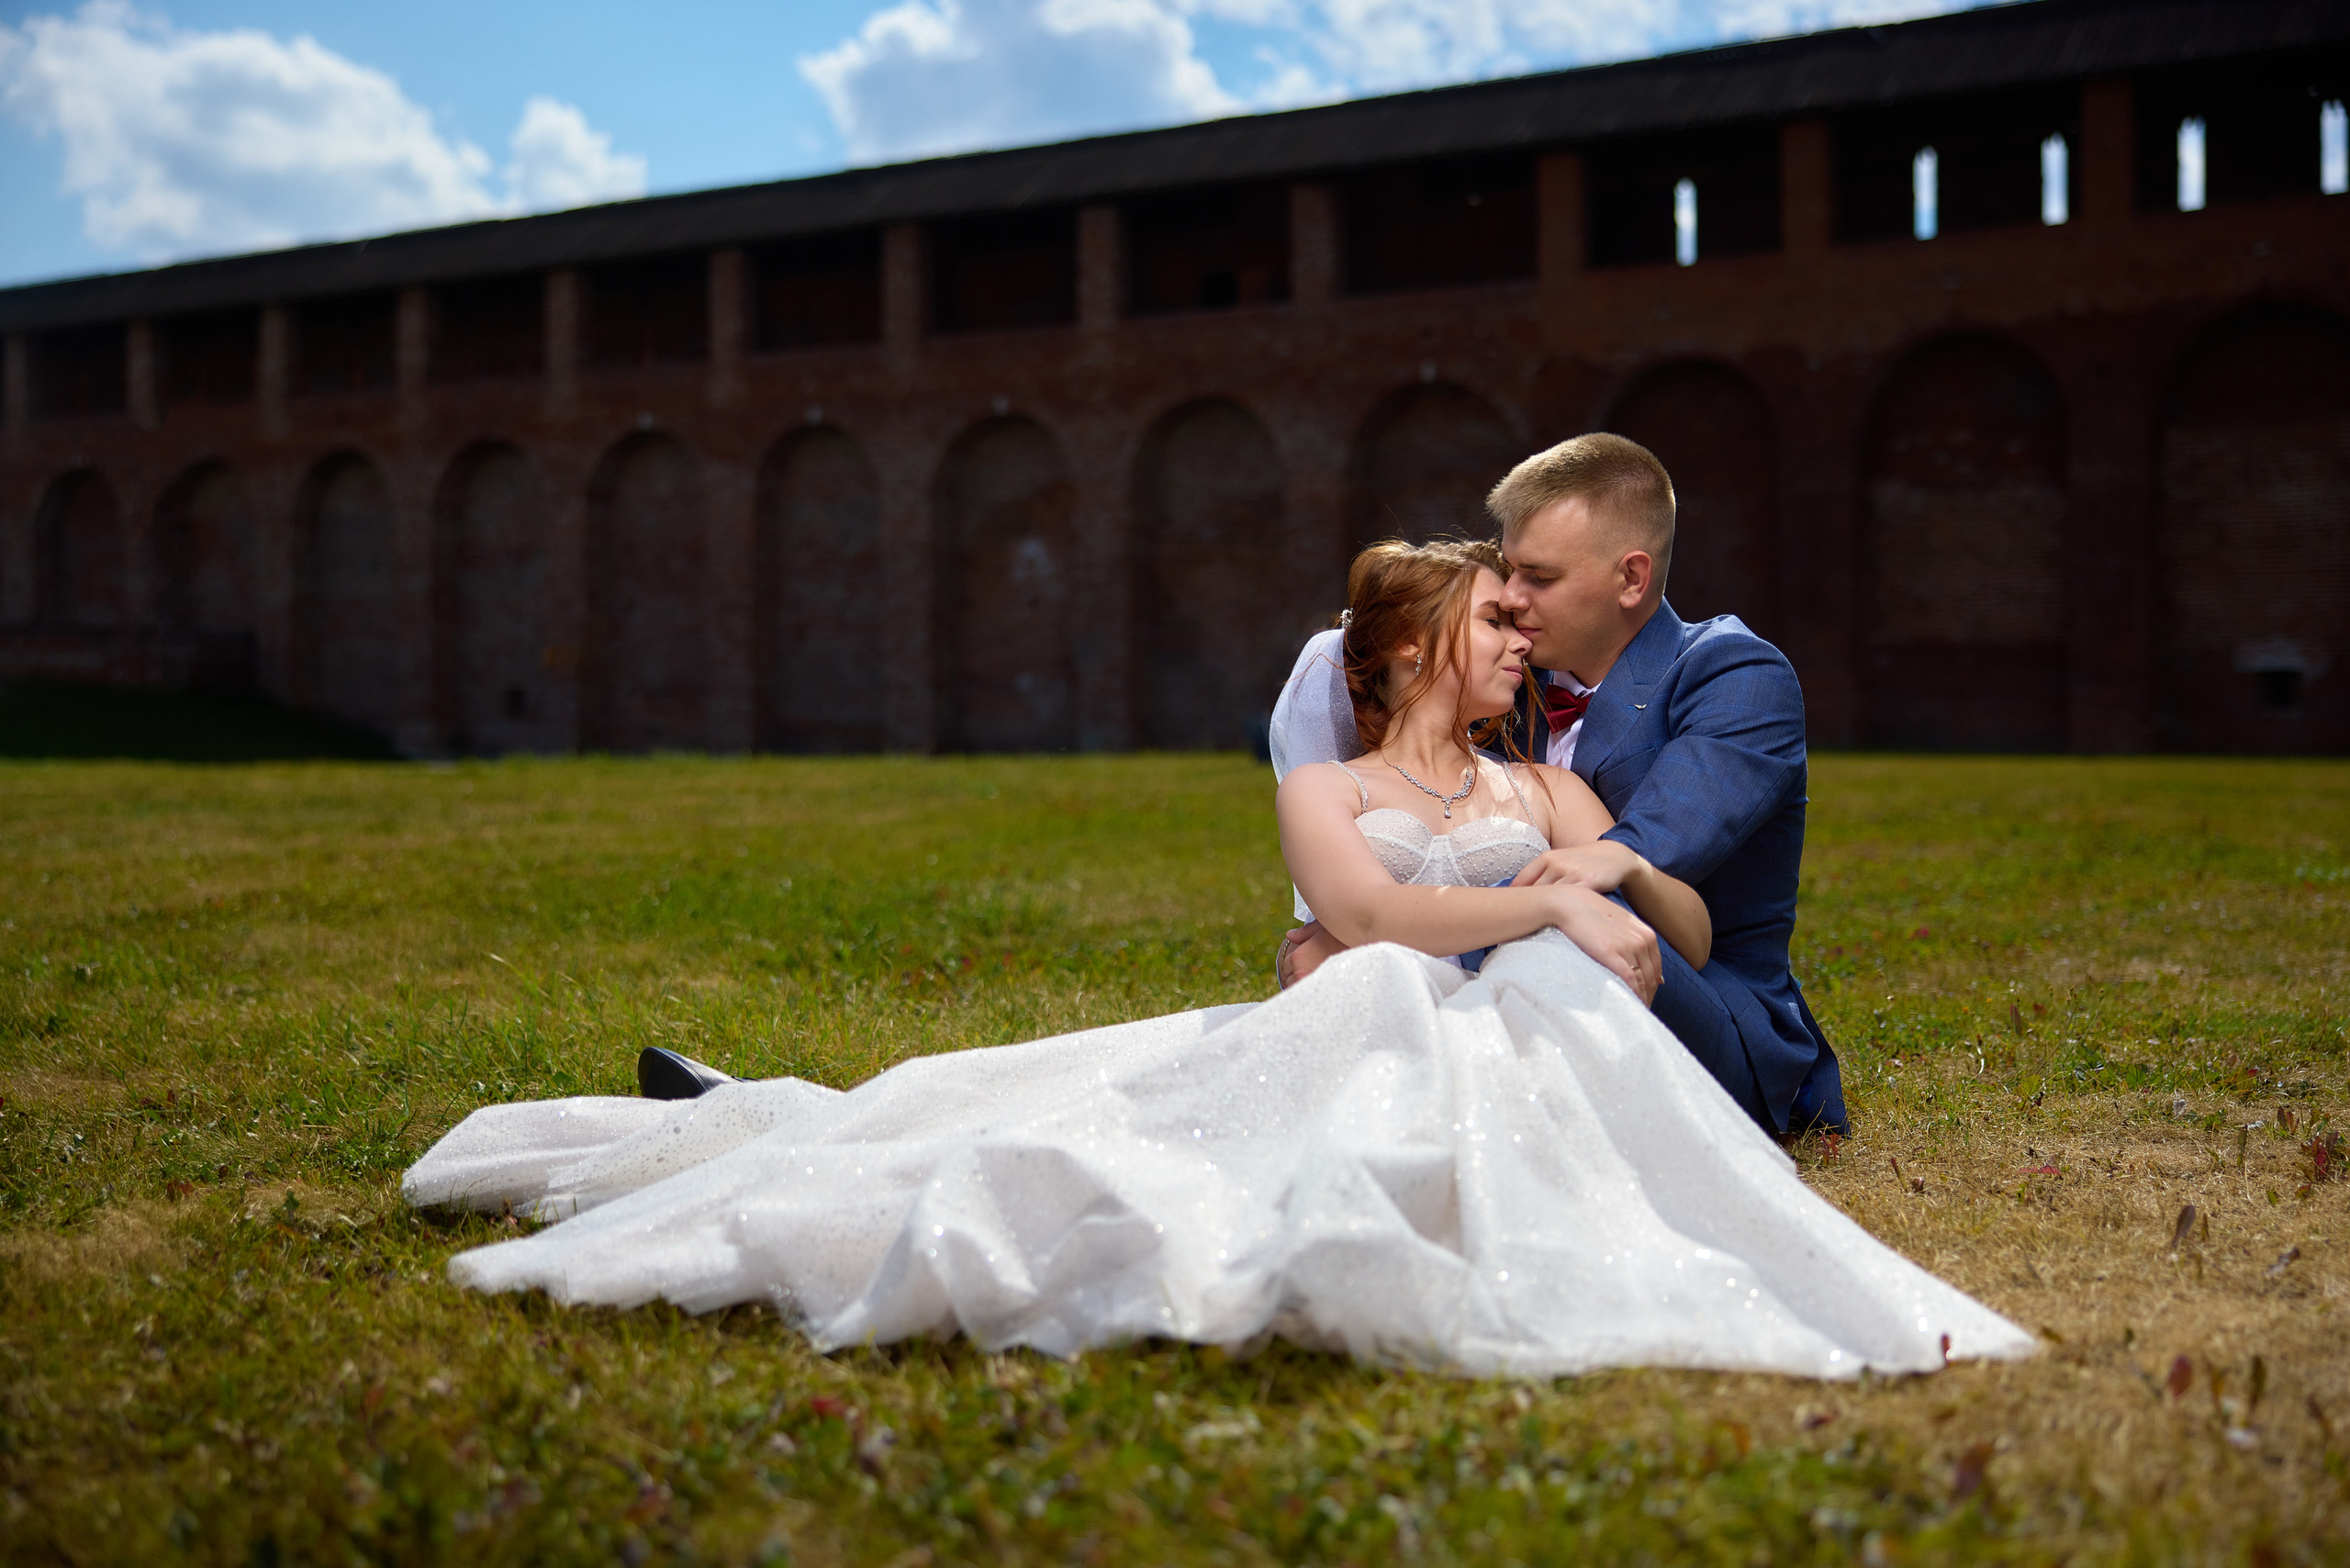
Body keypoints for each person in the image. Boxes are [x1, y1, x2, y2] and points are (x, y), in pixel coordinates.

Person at [403, 541, 2028, 1379]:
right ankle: (774, 1119)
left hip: (1515, 1045)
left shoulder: (1556, 786)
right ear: (1404, 653)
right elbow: (1372, 921)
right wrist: (1538, 907)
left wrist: (1627, 898)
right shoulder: (1328, 788)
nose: (1524, 640)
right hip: (1364, 1014)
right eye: (1493, 622)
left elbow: (1647, 904)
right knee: (1043, 1121)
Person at [1278, 434, 1848, 1138]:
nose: (1513, 603)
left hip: (1704, 1005)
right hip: (1532, 1008)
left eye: (1538, 579)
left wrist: (1369, 943)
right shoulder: (1507, 682)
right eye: (1507, 577)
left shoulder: (1734, 675)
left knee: (1575, 922)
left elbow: (1638, 857)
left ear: (1631, 579)